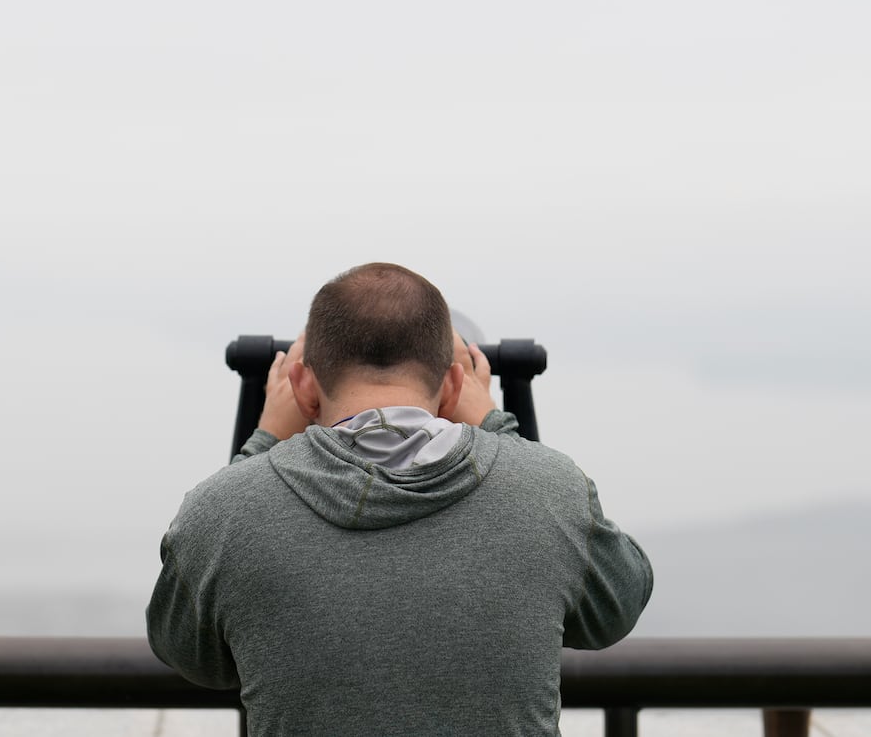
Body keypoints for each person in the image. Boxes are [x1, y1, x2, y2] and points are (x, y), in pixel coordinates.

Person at [146, 262, 653, 737]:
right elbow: (615, 610)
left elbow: (192, 654)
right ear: (455, 384)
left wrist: (262, 446)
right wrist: (499, 429)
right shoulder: (551, 491)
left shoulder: (223, 512)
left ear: (301, 384)